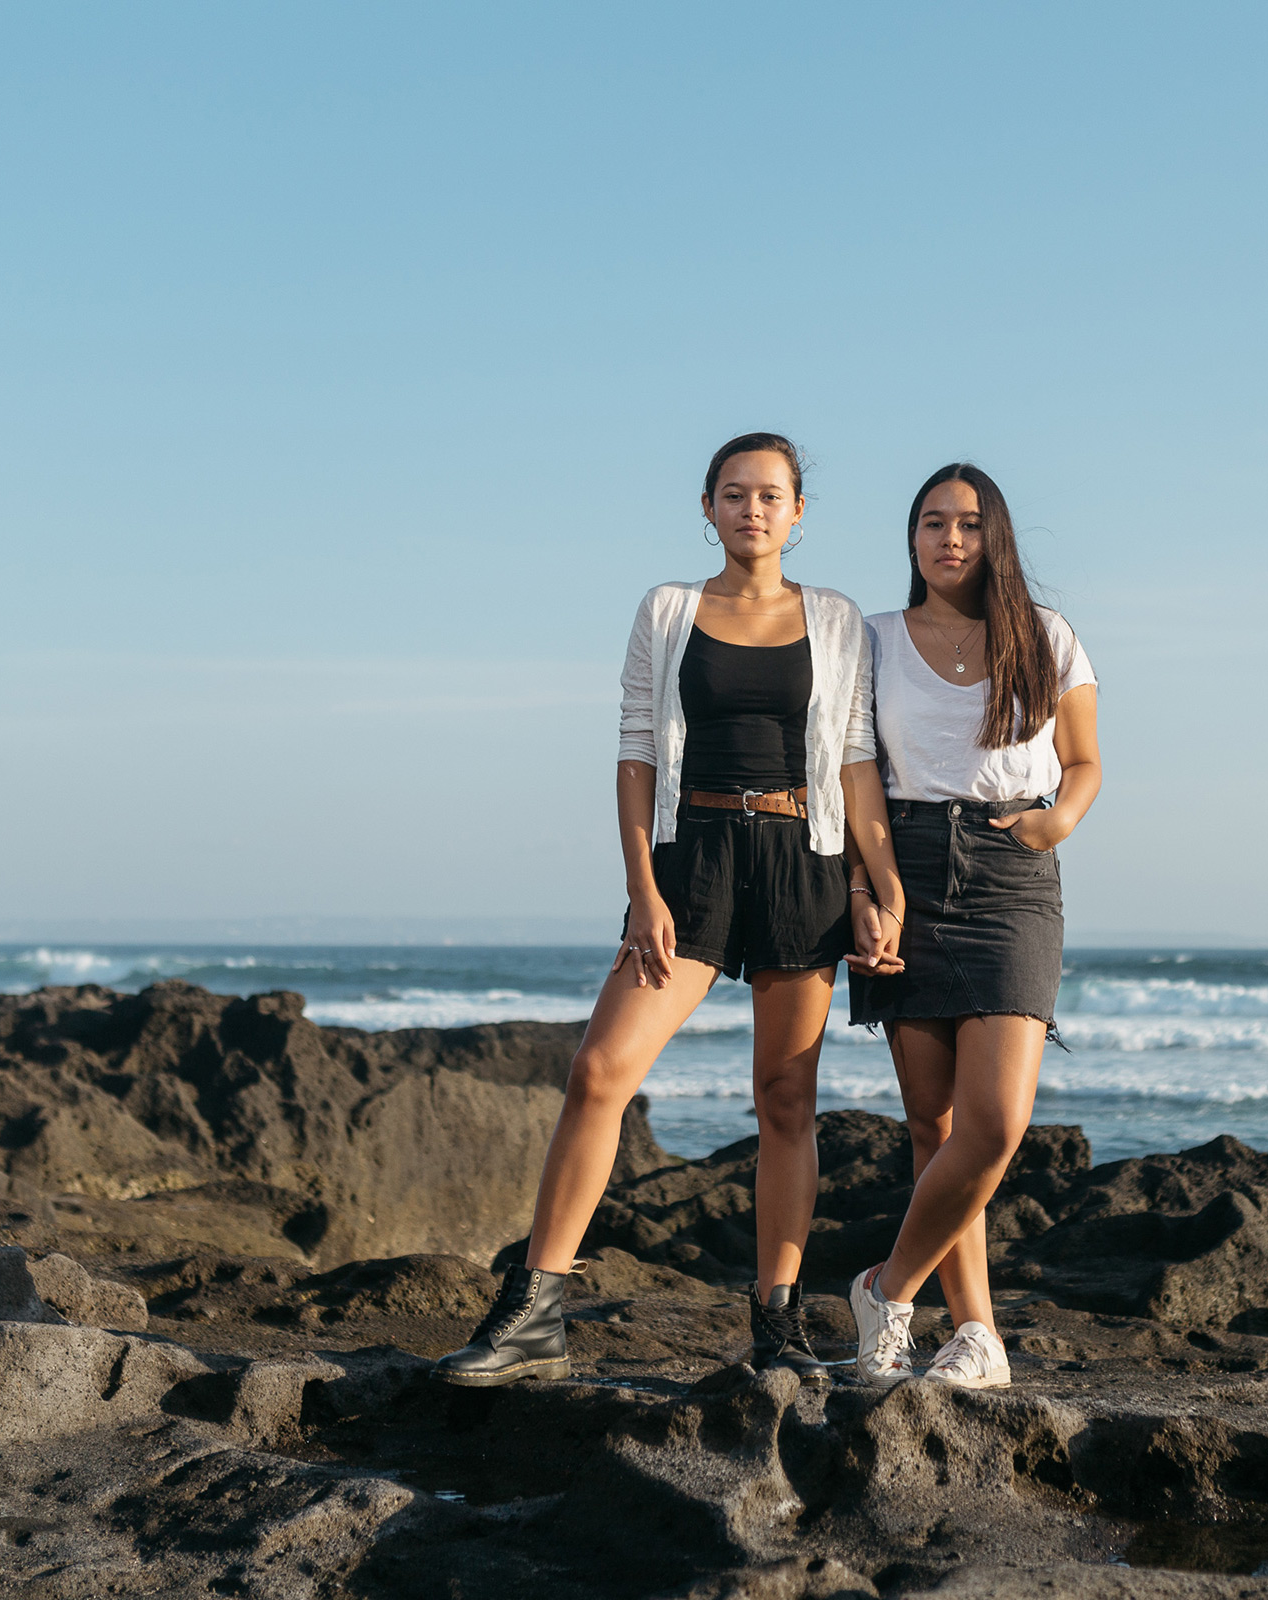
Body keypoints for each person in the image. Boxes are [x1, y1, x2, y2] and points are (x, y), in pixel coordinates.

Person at [433, 432, 905, 1389]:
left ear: (799, 513)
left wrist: (870, 885)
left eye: (772, 495)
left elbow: (856, 761)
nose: (753, 510)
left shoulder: (838, 618)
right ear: (708, 507)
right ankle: (536, 1312)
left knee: (786, 1100)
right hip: (690, 862)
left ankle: (776, 1321)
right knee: (600, 1070)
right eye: (734, 494)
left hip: (801, 863)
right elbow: (636, 748)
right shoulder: (669, 609)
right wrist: (643, 887)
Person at [844, 463, 1102, 1388]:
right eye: (931, 523)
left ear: (996, 538)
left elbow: (1084, 764)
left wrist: (1056, 822)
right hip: (902, 865)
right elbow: (854, 775)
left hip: (1012, 873)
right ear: (911, 540)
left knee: (994, 1123)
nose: (950, 538)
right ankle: (976, 1335)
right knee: (933, 1124)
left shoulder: (1046, 637)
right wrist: (866, 892)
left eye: (968, 523)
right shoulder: (869, 640)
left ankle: (886, 1287)